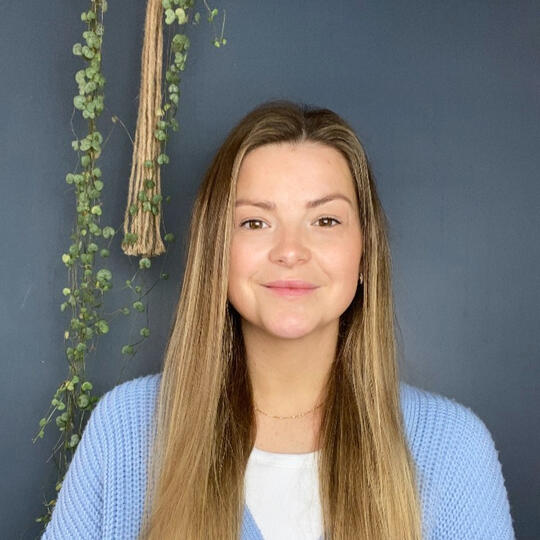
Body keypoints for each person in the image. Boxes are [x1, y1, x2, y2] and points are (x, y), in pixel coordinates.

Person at [42, 100, 516, 539]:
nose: (290, 251)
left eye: (325, 221)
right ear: (217, 250)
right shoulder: (126, 429)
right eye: (255, 222)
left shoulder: (453, 449)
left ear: (365, 250)